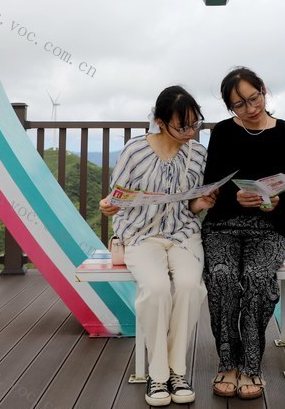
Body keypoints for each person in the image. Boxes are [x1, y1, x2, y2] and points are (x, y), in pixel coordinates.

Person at [99, 85, 217, 407]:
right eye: (183, 125)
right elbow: (117, 197)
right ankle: (158, 373)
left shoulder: (198, 154)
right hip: (140, 234)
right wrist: (109, 205)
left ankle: (177, 371)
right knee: (156, 288)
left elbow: (191, 206)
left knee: (191, 286)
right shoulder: (135, 151)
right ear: (161, 122)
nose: (191, 131)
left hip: (183, 233)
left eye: (196, 123)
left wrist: (201, 203)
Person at [201, 67, 285, 400]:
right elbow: (213, 181)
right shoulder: (222, 133)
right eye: (239, 104)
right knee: (221, 277)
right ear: (229, 107)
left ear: (263, 90)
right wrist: (234, 196)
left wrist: (277, 199)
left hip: (268, 227)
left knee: (259, 278)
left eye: (254, 98)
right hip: (222, 226)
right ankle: (227, 363)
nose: (250, 108)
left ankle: (250, 367)